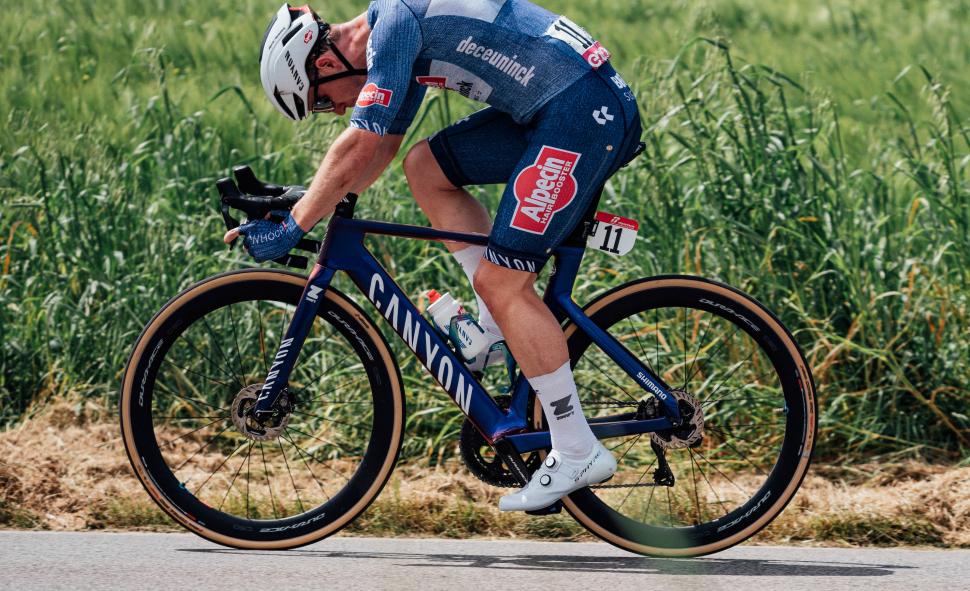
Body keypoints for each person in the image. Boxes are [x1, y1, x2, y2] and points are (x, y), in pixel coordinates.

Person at [227, 0, 643, 511]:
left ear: (329, 63)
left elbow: (359, 141)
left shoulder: (396, 28)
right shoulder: (391, 37)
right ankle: (494, 322)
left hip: (581, 116)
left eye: (320, 101)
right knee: (426, 167)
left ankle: (577, 448)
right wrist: (310, 201)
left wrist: (295, 227)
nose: (332, 111)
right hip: (563, 105)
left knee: (503, 281)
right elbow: (380, 149)